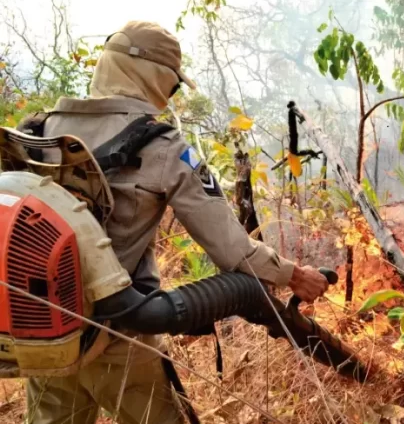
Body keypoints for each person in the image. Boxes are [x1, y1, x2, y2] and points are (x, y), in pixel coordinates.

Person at [22, 21, 329, 424]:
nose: (171, 94)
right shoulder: (162, 146)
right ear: (154, 76)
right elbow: (233, 251)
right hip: (117, 336)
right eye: (174, 85)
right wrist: (294, 275)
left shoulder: (38, 129)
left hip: (41, 331)